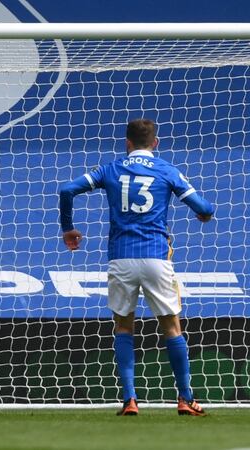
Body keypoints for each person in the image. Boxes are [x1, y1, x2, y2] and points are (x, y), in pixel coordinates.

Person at [59, 118, 215, 416]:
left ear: (127, 143)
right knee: (171, 328)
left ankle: (130, 400)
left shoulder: (110, 169)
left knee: (123, 327)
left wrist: (68, 228)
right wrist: (204, 217)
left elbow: (67, 190)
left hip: (121, 259)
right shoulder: (167, 170)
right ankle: (185, 398)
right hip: (156, 258)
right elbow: (205, 208)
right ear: (155, 143)